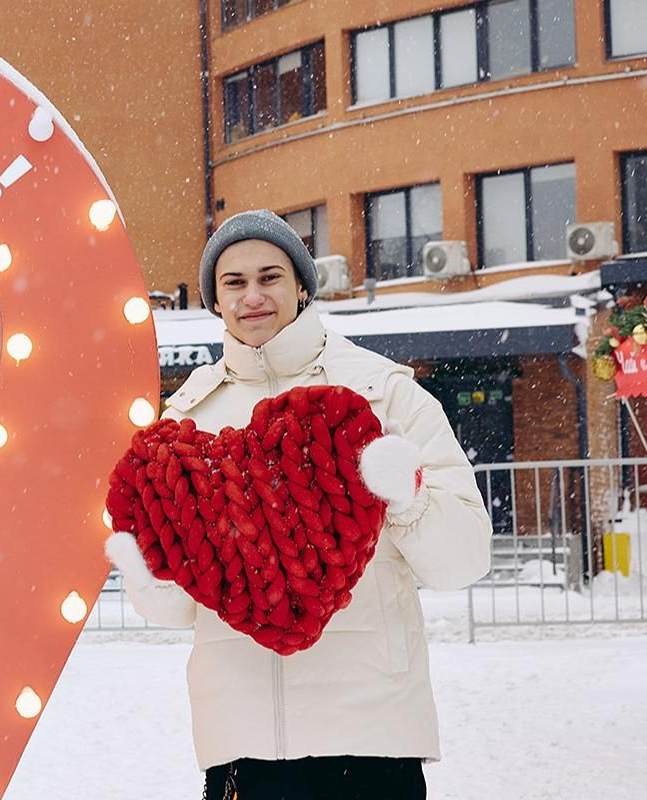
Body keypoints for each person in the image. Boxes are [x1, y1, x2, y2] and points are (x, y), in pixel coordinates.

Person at [105, 210, 492, 799]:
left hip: (371, 740)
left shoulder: (383, 395)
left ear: (302, 287)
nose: (253, 296)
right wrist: (146, 567)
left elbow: (464, 560)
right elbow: (178, 610)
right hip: (244, 749)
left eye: (270, 277)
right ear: (214, 300)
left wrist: (406, 494)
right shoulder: (185, 424)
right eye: (234, 283)